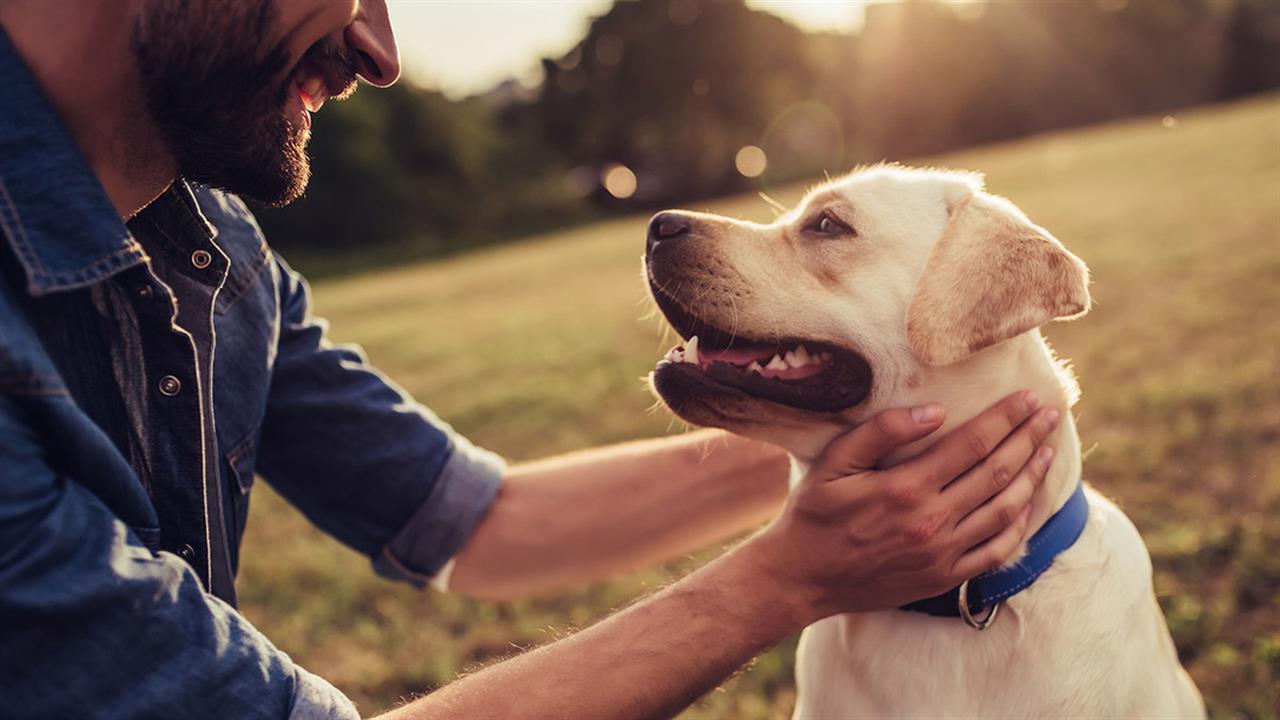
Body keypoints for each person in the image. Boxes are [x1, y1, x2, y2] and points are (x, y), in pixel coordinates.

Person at [0, 2, 1061, 718]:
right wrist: (781, 581)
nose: (379, 50)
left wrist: (903, 439)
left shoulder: (217, 253)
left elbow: (478, 522)